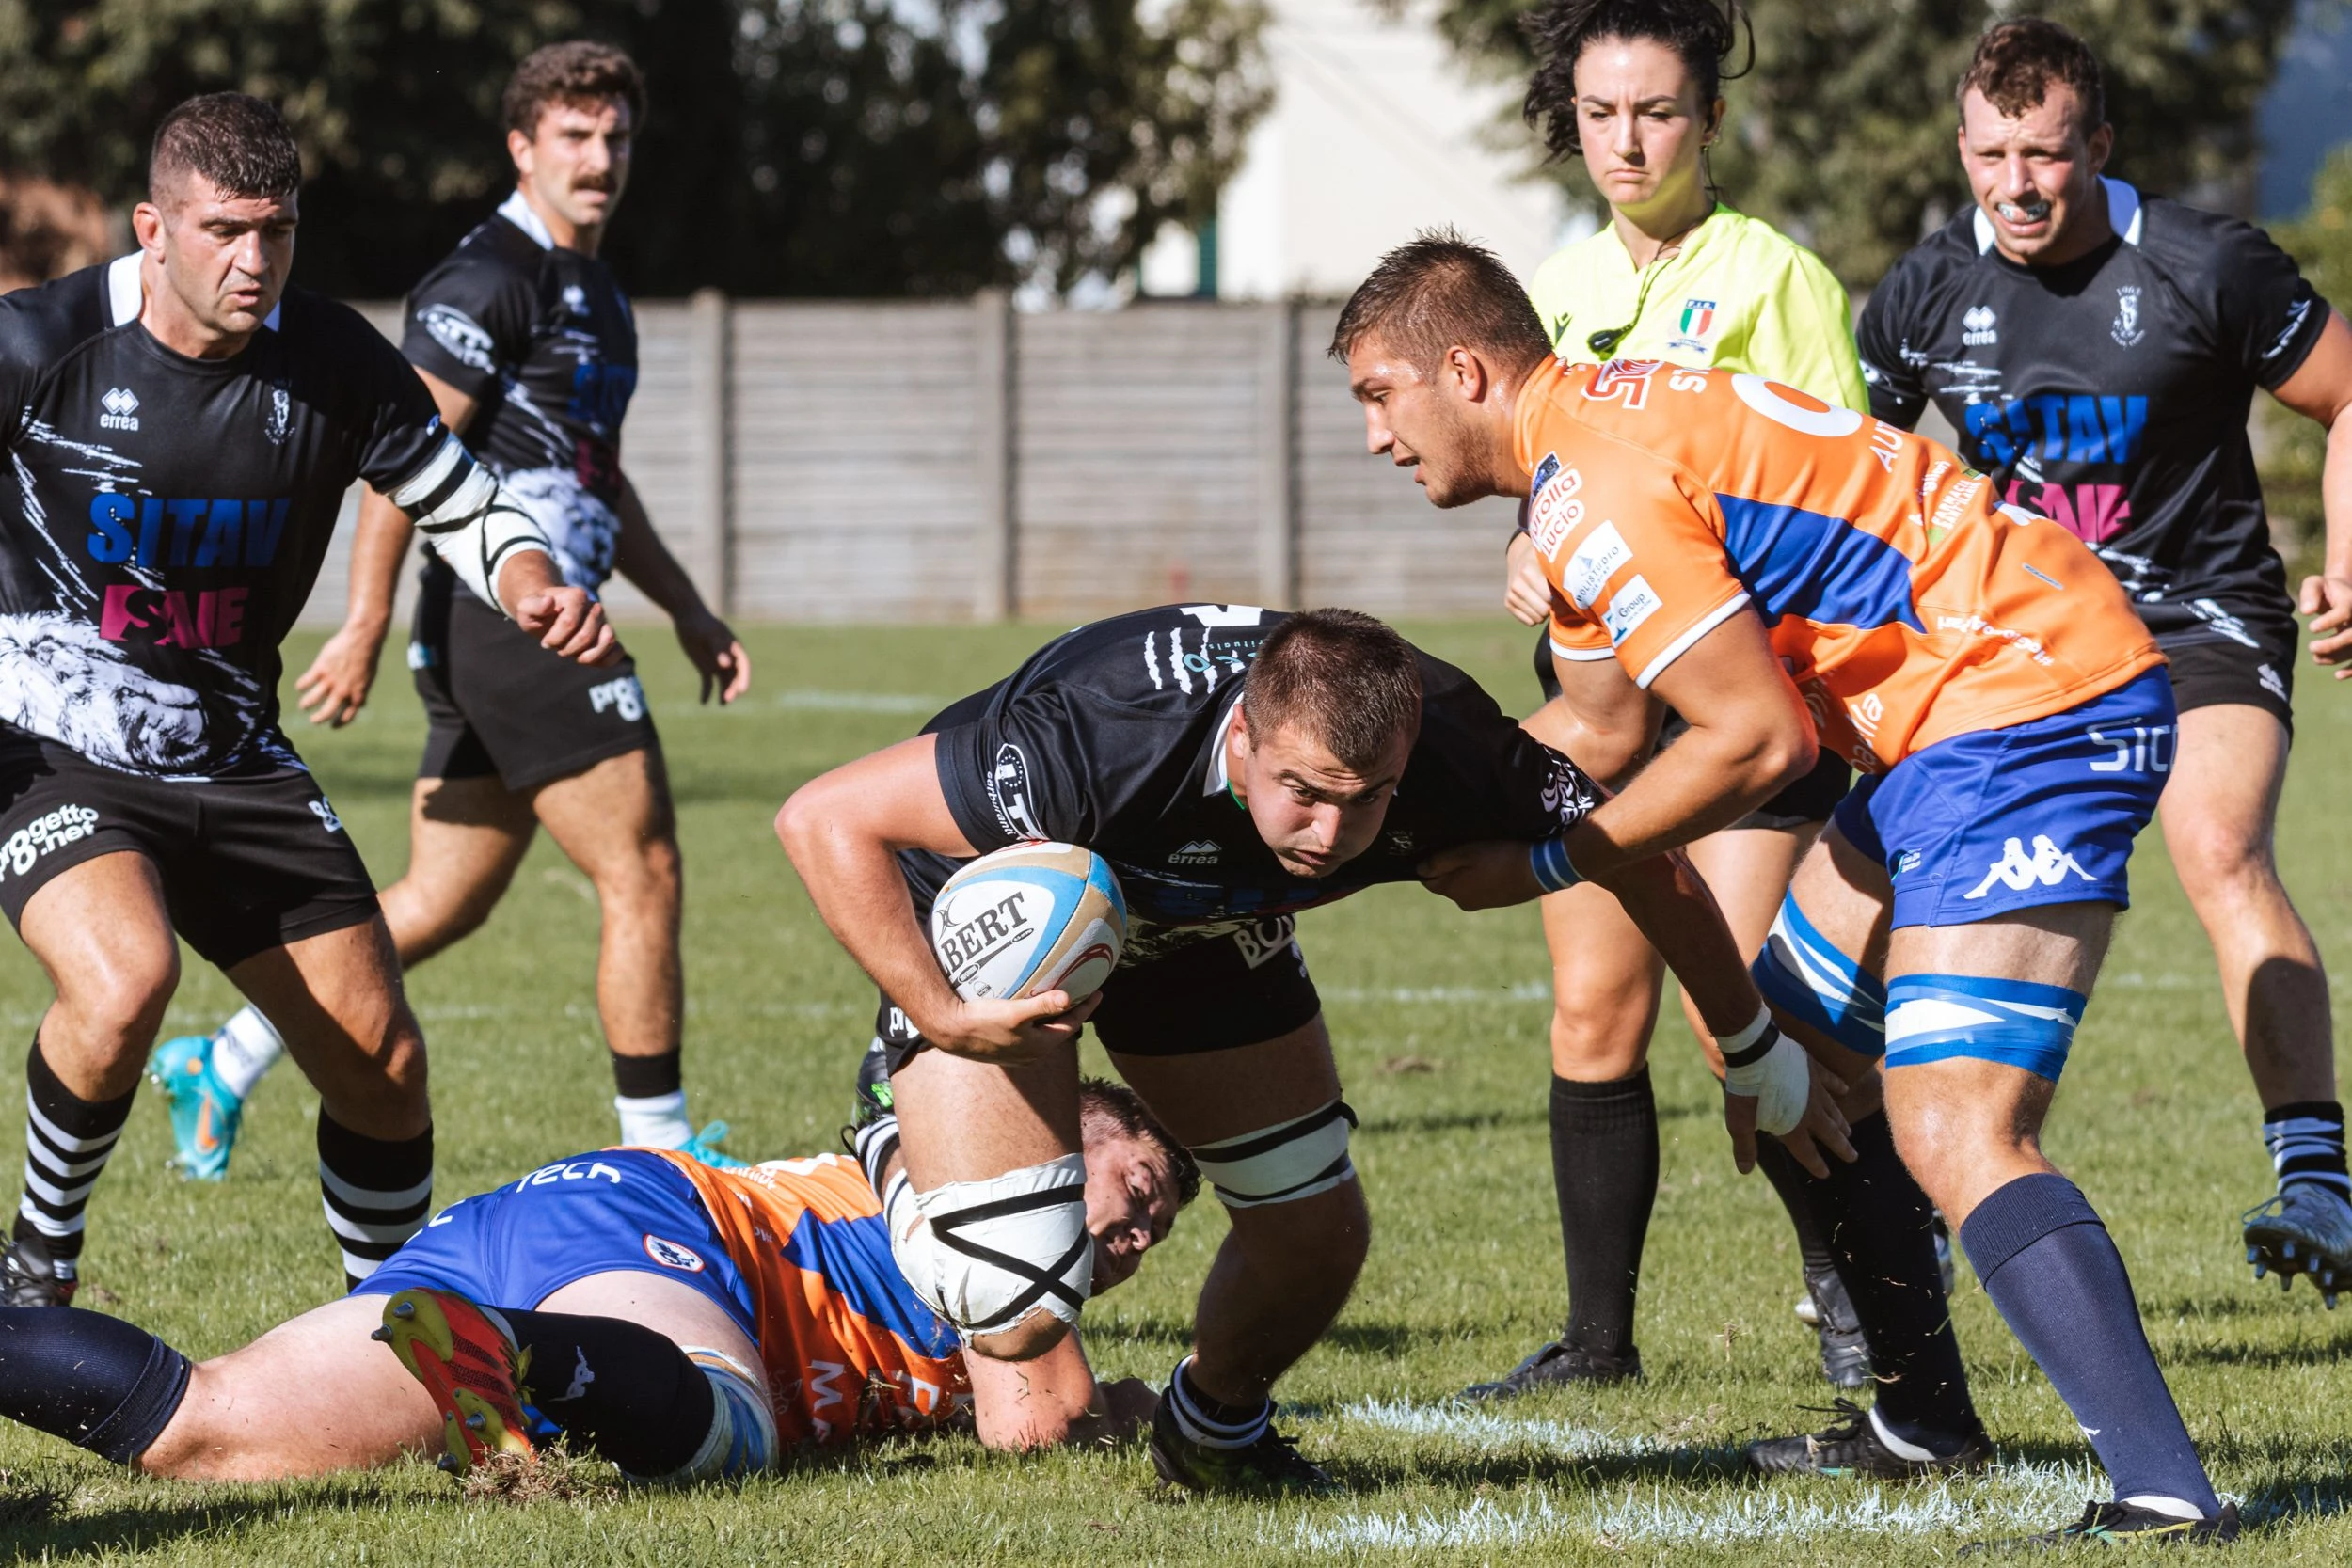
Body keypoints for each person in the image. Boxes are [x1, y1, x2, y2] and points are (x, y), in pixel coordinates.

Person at [1338, 233, 2238, 1544]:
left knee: (1956, 1124)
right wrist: (1370, 826)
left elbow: (1757, 742)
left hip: (2028, 696)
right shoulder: (1579, 461)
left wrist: (1545, 863)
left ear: (1463, 372)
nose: (1375, 435)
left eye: (1380, 395)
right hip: (1946, 718)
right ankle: (1922, 1419)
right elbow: (1595, 727)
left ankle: (2166, 1490)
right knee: (1782, 1051)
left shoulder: (1595, 481)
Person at [776, 604, 1844, 1495]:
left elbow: (1646, 859)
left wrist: (1751, 1045)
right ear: (1242, 736)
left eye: (1367, 799)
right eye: (1305, 791)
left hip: (1204, 928)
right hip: (1018, 913)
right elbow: (823, 817)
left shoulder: (1456, 744)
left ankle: (1214, 1430)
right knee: (1013, 1310)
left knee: (1314, 1235)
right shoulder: (1099, 738)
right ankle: (891, 1137)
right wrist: (940, 1012)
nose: (1331, 835)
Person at [0, 94, 615, 1307]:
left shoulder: (331, 358)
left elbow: (462, 500)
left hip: (236, 755)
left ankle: (391, 1333)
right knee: (125, 981)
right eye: (224, 230)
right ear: (151, 229)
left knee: (382, 1061)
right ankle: (36, 1265)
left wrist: (531, 578)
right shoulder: (36, 346)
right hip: (51, 744)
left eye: (276, 231)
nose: (254, 260)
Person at [153, 41, 752, 1180]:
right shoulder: (489, 279)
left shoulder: (598, 293)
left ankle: (221, 1059)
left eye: (615, 136)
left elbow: (595, 479)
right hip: (514, 619)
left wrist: (688, 608)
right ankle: (666, 1157)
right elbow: (405, 457)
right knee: (644, 865)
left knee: (444, 897)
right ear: (522, 147)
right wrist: (363, 620)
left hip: (520, 620)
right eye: (573, 136)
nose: (600, 158)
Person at [1856, 18, 2352, 1295]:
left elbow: (2348, 392)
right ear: (1960, 149)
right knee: (1922, 889)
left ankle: (2317, 1177)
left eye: (2044, 154)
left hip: (2199, 619)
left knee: (2219, 845)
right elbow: (1860, 483)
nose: (2016, 184)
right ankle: (1915, 1208)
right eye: (1990, 155)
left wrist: (2348, 564)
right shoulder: (1922, 292)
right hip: (2024, 646)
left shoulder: (2206, 262)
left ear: (2100, 147)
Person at [1472, 0, 1879, 1401]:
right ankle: (1596, 1344)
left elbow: (1843, 488)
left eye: (1655, 110)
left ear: (1709, 116)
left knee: (1738, 1016)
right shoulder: (1556, 287)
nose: (1627, 141)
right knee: (1594, 1015)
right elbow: (1546, 470)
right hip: (1598, 706)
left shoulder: (1778, 278)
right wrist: (1526, 542)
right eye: (1600, 113)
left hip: (1743, 704)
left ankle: (1867, 1309)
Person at [0, 1079, 1192, 1480]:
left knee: (202, 1432)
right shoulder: (993, 1204)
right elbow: (1039, 1423)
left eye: (1156, 1230)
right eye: (1134, 1188)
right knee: (731, 1427)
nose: (1137, 1234)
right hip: (656, 1232)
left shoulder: (1005, 1276)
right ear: (1054, 1141)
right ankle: (516, 1351)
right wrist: (1144, 1407)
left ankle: (501, 1348)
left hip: (536, 1230)